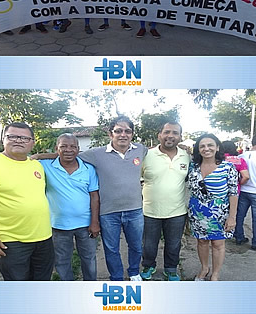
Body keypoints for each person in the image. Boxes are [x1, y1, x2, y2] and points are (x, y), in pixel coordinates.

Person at [0, 122, 53, 281]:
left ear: (32, 142)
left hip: (44, 239)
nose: (19, 140)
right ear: (3, 140)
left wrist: (40, 156)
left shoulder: (36, 165)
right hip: (11, 242)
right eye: (13, 136)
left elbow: (65, 154)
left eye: (25, 138)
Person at [78, 116, 147, 281]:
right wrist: (38, 157)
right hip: (108, 213)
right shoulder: (96, 154)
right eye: (118, 131)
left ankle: (134, 272)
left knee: (136, 247)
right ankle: (116, 277)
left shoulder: (140, 149)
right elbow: (68, 154)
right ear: (111, 134)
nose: (123, 134)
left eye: (127, 131)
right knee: (111, 249)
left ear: (132, 134)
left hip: (135, 210)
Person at [37, 134, 99, 281]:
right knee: (62, 261)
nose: (68, 150)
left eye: (72, 146)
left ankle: (90, 286)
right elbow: (25, 160)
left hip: (86, 224)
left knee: (89, 260)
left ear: (78, 149)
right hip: (58, 225)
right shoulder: (45, 166)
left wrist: (95, 222)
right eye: (63, 146)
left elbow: (94, 196)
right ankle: (68, 288)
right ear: (56, 149)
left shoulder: (88, 168)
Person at [139, 122, 190, 281]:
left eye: (175, 133)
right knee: (149, 244)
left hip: (177, 211)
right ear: (159, 135)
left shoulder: (186, 156)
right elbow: (136, 178)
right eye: (166, 132)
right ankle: (148, 266)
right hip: (150, 210)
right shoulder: (146, 155)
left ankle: (171, 269)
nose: (170, 136)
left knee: (174, 244)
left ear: (180, 137)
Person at [186, 134, 238, 281]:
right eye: (202, 146)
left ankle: (215, 274)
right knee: (201, 241)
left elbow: (233, 193)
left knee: (218, 243)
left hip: (219, 213)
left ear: (217, 147)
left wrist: (232, 217)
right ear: (198, 149)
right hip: (197, 212)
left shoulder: (228, 167)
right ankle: (204, 268)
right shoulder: (193, 167)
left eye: (210, 145)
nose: (206, 148)